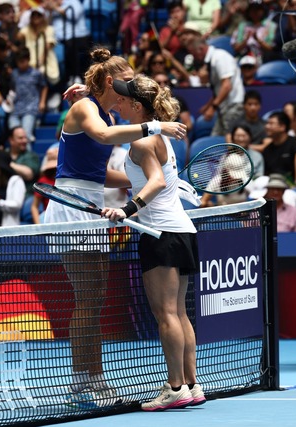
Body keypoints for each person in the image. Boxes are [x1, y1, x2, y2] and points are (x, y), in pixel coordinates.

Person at [44, 47, 187, 409]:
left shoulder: (106, 112)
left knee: (95, 299)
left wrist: (165, 180)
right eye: (127, 78)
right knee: (86, 300)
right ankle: (81, 382)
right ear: (112, 80)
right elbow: (106, 139)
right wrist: (155, 125)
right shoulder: (86, 109)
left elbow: (101, 171)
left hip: (94, 203)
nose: (133, 83)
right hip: (71, 206)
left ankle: (96, 379)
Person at [103, 75, 205, 411]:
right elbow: (143, 178)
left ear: (136, 106)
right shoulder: (159, 135)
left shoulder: (142, 142)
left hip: (159, 233)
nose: (116, 104)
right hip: (182, 231)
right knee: (178, 313)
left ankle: (174, 387)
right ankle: (191, 384)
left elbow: (157, 181)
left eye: (121, 100)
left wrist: (127, 208)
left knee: (165, 315)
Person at [185, 30, 244, 136]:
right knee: (215, 140)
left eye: (194, 54)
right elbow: (219, 89)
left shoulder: (220, 57)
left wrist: (212, 108)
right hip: (224, 108)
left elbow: (226, 86)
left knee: (228, 143)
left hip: (233, 107)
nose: (195, 58)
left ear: (201, 49)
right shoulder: (212, 60)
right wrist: (208, 105)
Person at [8, 48, 48, 143]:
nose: (21, 64)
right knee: (15, 133)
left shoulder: (36, 73)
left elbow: (44, 87)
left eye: (23, 61)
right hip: (16, 109)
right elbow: (13, 89)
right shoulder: (14, 74)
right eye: (19, 62)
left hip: (31, 108)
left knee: (25, 136)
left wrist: (42, 102)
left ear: (28, 59)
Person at [261, 111, 296, 186]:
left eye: (271, 123)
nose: (267, 126)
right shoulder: (267, 149)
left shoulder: (295, 142)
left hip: (294, 186)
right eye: (267, 123)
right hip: (275, 186)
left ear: (282, 127)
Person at [6, 126, 40, 195]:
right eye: (20, 138)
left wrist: (8, 163)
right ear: (11, 140)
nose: (25, 141)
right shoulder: (5, 153)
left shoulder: (31, 156)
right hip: (6, 196)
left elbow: (29, 174)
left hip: (26, 196)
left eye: (25, 138)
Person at [30, 145, 57, 224]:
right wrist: (39, 227)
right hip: (48, 221)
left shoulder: (66, 180)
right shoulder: (43, 181)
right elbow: (34, 207)